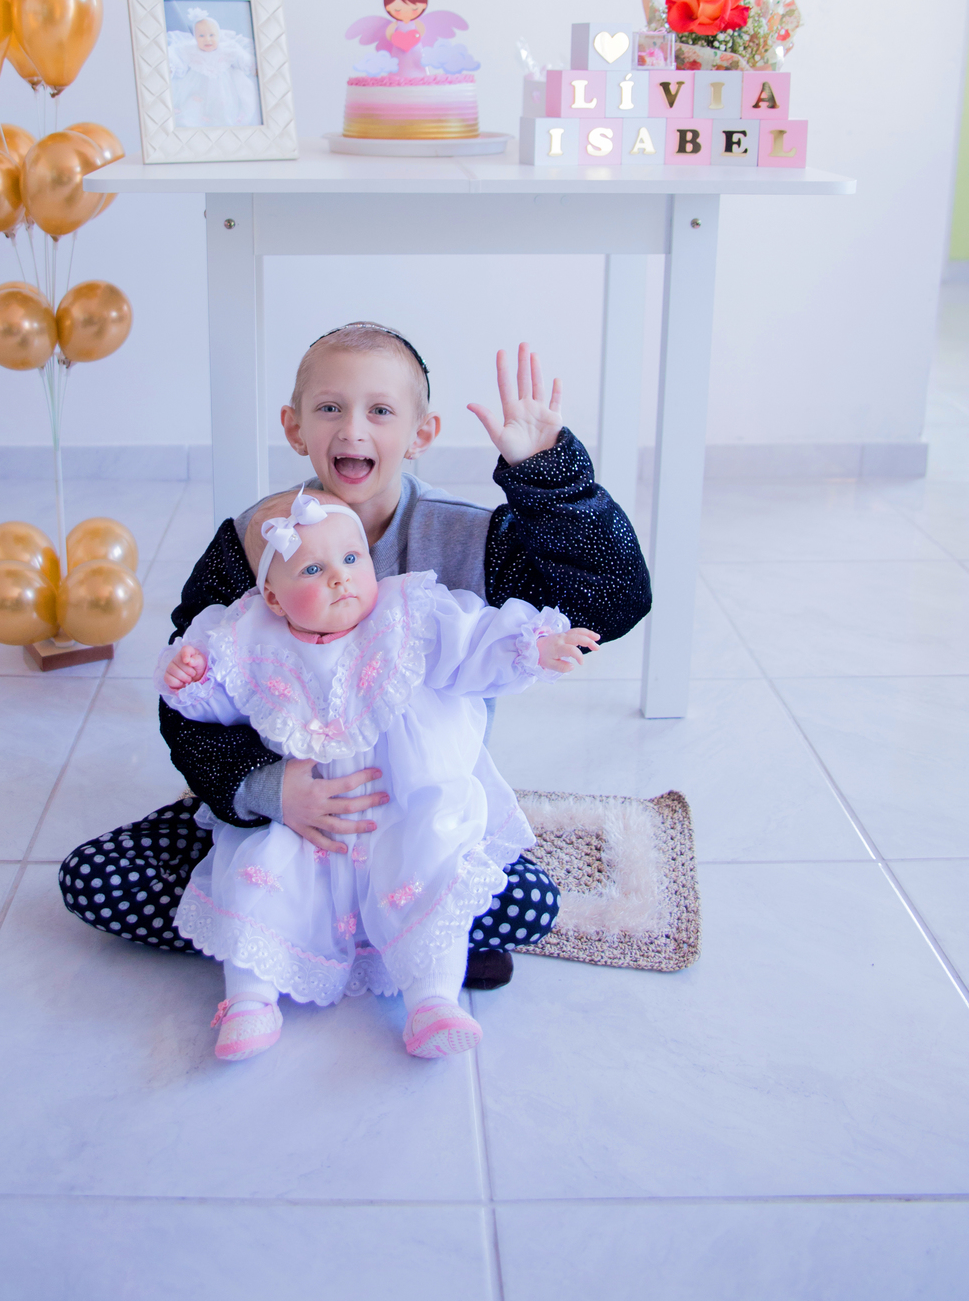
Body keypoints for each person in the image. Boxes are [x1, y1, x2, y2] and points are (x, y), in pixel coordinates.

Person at [59, 326, 651, 991]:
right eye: (330, 408)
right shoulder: (260, 539)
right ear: (294, 426)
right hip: (290, 831)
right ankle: (349, 934)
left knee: (529, 905)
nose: (353, 430)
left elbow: (613, 600)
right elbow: (190, 689)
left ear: (421, 434)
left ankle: (367, 932)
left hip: (417, 824)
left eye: (381, 411)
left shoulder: (467, 536)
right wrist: (267, 790)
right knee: (95, 880)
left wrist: (549, 475)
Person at [159, 489, 598, 1060]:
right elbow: (219, 707)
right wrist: (193, 680)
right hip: (301, 823)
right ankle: (249, 1002)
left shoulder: (408, 613)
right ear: (272, 594)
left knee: (428, 862)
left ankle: (433, 1002)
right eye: (313, 569)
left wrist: (533, 648)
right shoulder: (248, 636)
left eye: (350, 559)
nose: (341, 578)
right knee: (258, 876)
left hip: (401, 804)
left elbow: (471, 646)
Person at [165, 8, 261, 128]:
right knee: (194, 103)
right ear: (195, 37)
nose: (207, 39)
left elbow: (240, 57)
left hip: (222, 87)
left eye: (211, 35)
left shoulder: (228, 48)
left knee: (223, 105)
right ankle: (197, 118)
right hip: (197, 85)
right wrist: (171, 66)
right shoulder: (190, 49)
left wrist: (252, 66)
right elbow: (177, 54)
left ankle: (216, 118)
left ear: (218, 35)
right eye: (201, 36)